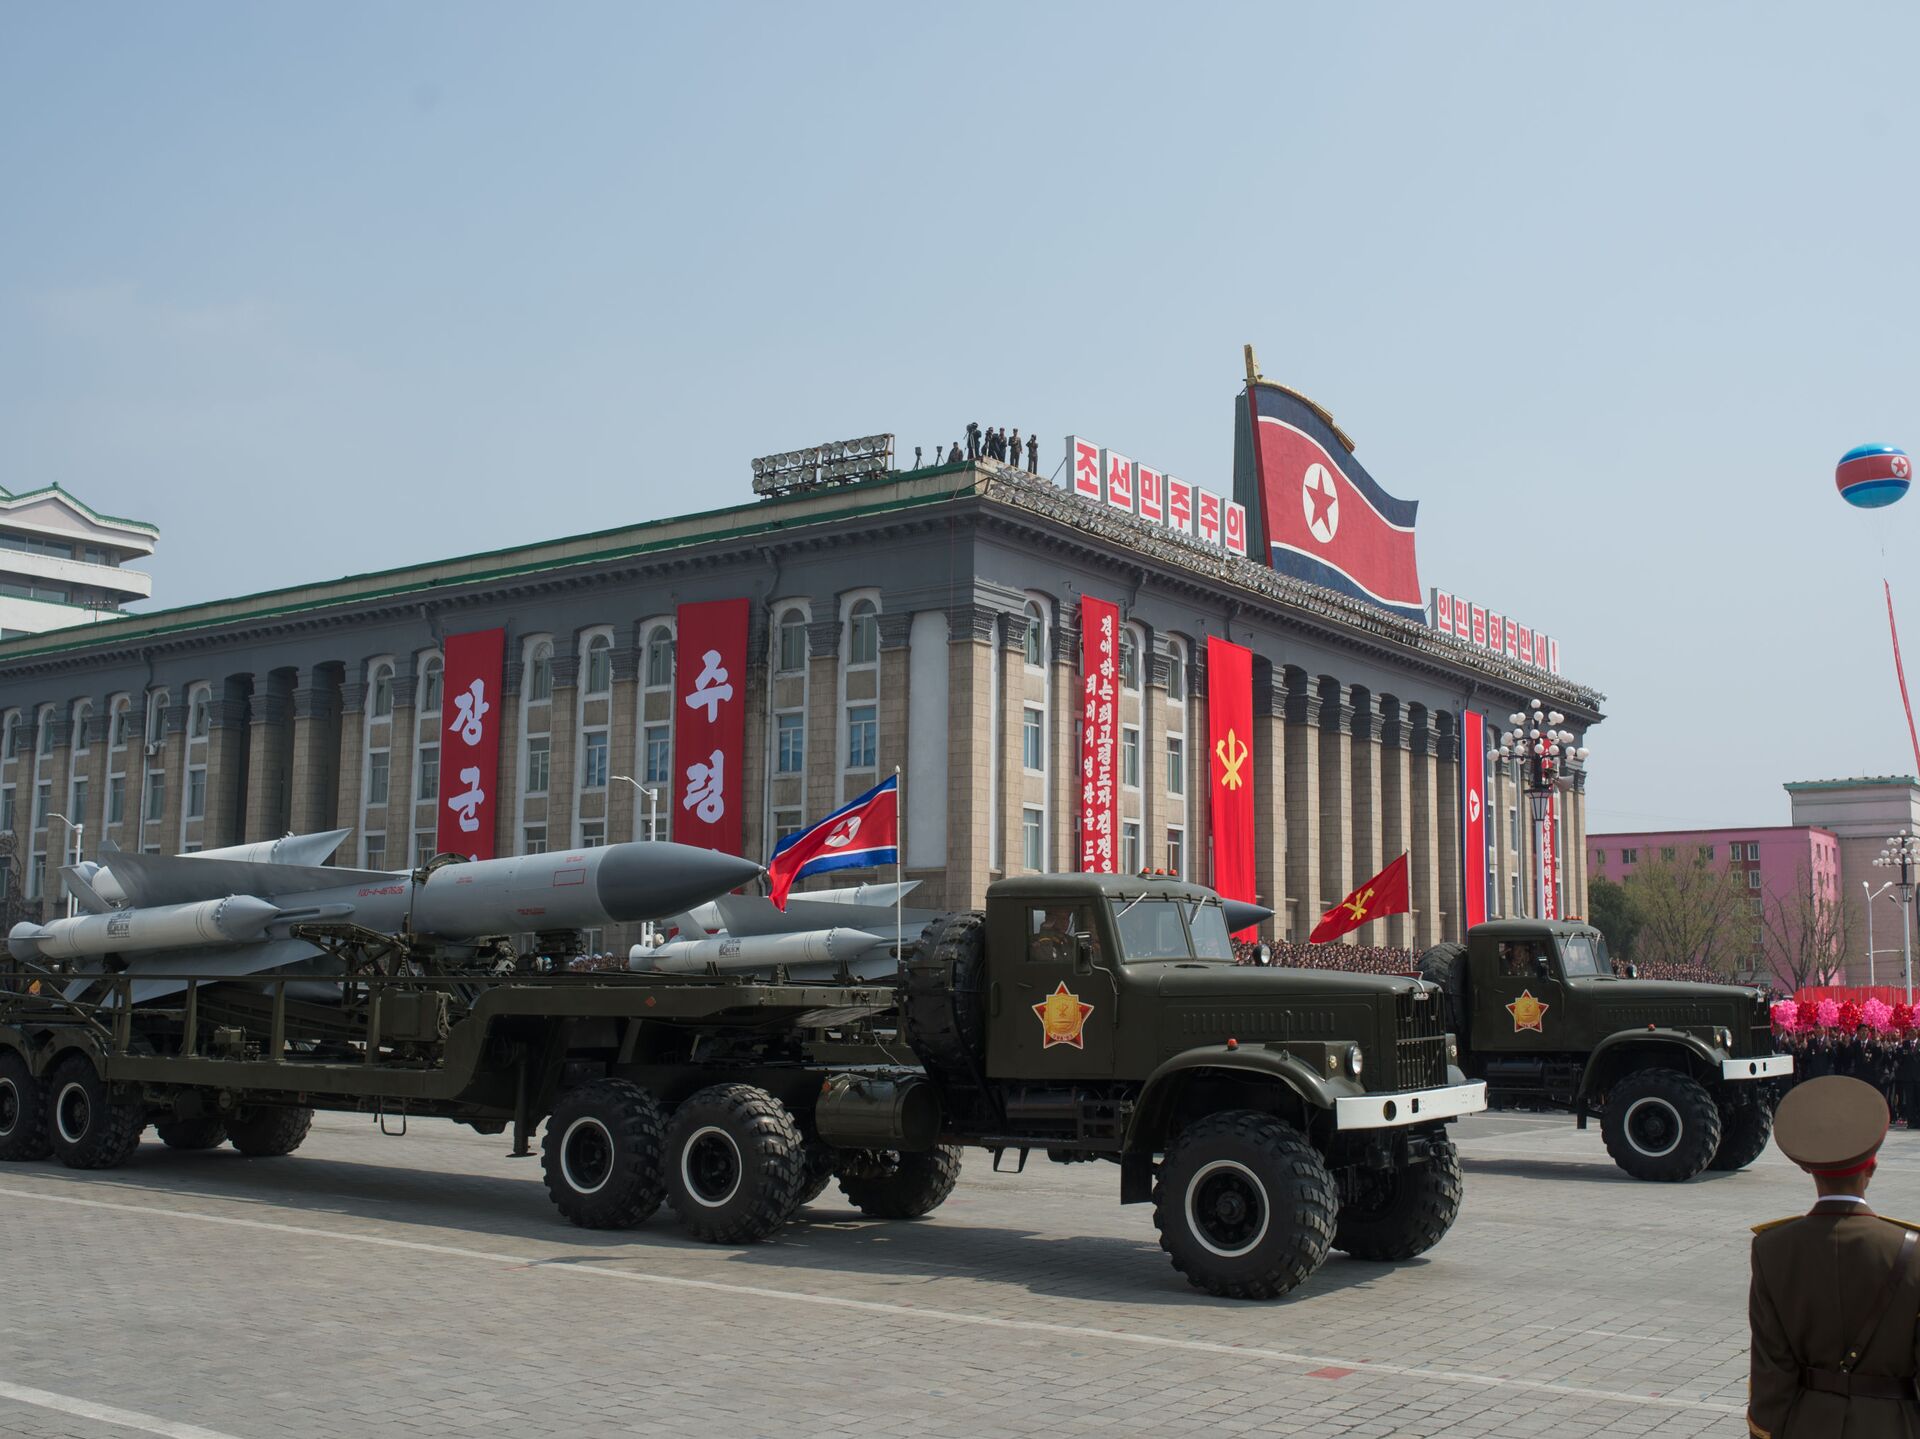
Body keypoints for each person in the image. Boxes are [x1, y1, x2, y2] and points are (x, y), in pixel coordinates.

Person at [1748, 1074, 1920, 1437]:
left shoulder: (1772, 1249)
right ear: (1872, 1167)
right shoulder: (1914, 1251)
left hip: (1806, 1424)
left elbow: (1771, 1374)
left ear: (1807, 1168)